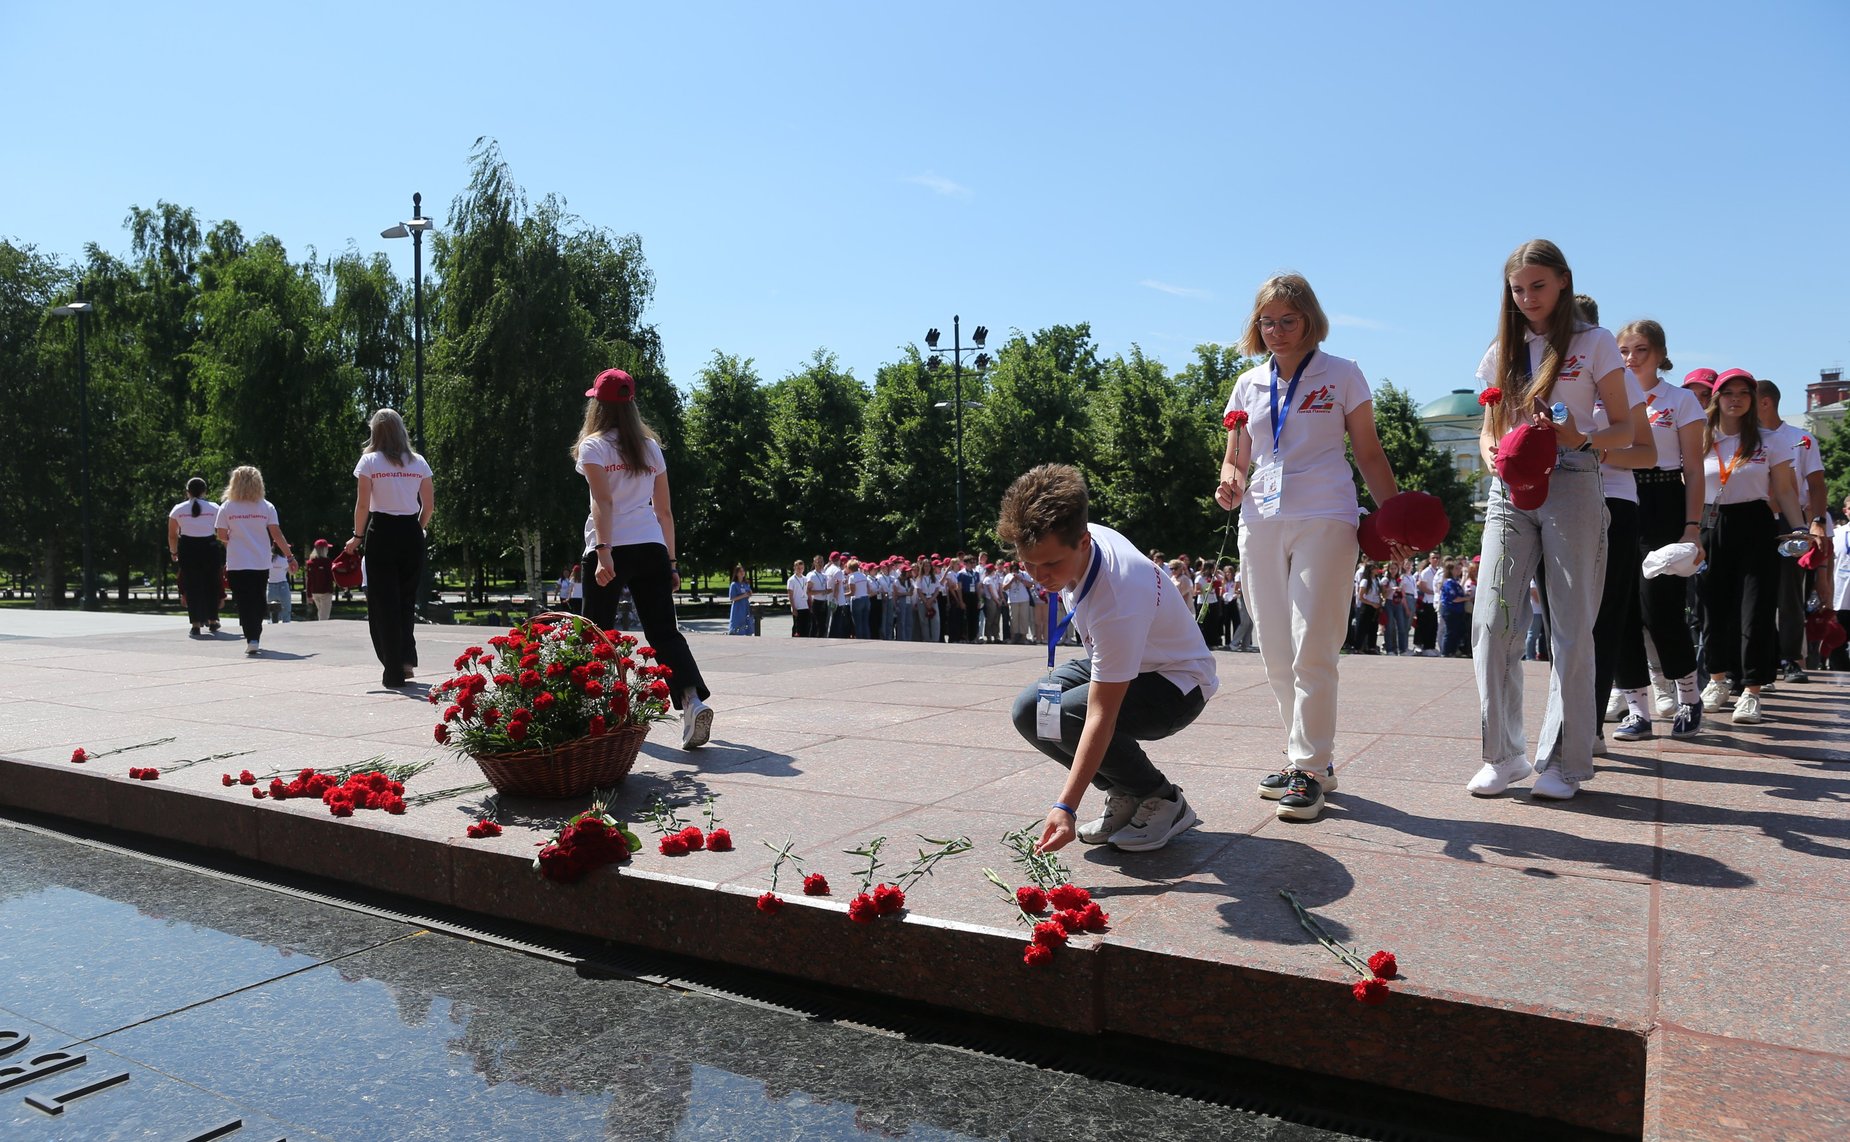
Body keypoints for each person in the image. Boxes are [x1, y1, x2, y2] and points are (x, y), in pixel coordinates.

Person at [1215, 273, 1405, 821]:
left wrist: (1395, 519)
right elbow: (1236, 457)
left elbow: (1368, 453)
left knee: (1312, 644)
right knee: (1275, 648)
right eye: (1267, 321)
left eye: (1288, 320)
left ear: (1309, 320)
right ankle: (1307, 758)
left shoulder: (1343, 373)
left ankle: (1308, 766)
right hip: (1260, 520)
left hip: (1326, 516)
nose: (1276, 331)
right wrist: (1229, 482)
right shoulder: (1248, 384)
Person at [1467, 239, 1638, 802]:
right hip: (1510, 488)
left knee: (1571, 627)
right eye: (1518, 289)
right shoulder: (1502, 350)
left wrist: (1580, 436)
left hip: (1573, 479)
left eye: (1538, 286)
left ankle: (1564, 762)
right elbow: (1490, 428)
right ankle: (1503, 755)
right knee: (1492, 621)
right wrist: (1492, 453)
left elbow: (1627, 430)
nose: (1528, 297)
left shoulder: (1594, 343)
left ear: (1564, 281)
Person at [1004, 464, 1216, 854]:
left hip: (1177, 682)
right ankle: (1126, 792)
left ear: (1083, 541)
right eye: (1028, 563)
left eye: (1050, 564)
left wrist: (1065, 806)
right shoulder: (1075, 538)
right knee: (1031, 709)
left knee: (1069, 713)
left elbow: (1101, 714)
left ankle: (1162, 798)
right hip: (1133, 660)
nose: (1038, 576)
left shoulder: (1118, 596)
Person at [573, 367, 714, 749]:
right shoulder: (651, 448)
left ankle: (597, 711)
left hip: (611, 546)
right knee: (664, 632)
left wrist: (603, 552)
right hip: (651, 546)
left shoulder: (593, 446)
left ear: (597, 406)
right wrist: (671, 563)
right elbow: (664, 511)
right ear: (631, 404)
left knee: (597, 634)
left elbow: (603, 502)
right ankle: (692, 700)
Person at [1610, 319, 1708, 739]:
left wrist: (1692, 527)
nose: (1631, 359)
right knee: (1619, 608)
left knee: (1660, 607)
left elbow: (1694, 469)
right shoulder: (1608, 396)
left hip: (1664, 499)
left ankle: (1689, 696)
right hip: (1618, 497)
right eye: (1624, 351)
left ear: (1661, 354)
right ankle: (1637, 709)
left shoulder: (1680, 400)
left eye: (1641, 350)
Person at [1697, 369, 1811, 724]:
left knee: (1756, 608)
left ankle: (1752, 691)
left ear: (1753, 399)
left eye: (1743, 393)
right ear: (1717, 398)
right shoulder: (1701, 436)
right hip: (1710, 523)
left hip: (1755, 523)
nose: (1735, 399)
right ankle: (1717, 678)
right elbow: (1688, 484)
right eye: (1728, 393)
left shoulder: (1768, 440)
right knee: (1712, 607)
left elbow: (1785, 490)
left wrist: (1800, 527)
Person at [342, 409, 433, 690]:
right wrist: (417, 529)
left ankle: (392, 670)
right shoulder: (418, 462)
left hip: (381, 531)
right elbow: (428, 506)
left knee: (383, 603)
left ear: (375, 431)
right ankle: (406, 659)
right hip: (410, 531)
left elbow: (362, 505)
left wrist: (357, 537)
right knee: (406, 600)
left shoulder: (369, 461)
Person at [1757, 379, 1829, 684]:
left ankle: (1790, 659)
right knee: (1754, 592)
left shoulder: (1801, 438)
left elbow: (1817, 485)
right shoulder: (1743, 439)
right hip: (1753, 519)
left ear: (1765, 402)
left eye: (1748, 397)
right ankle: (1760, 659)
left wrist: (1818, 522)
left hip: (1789, 520)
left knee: (1790, 593)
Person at [214, 466, 296, 656]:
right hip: (260, 561)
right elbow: (277, 534)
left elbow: (221, 535)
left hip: (237, 561)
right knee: (258, 598)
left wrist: (235, 539)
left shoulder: (227, 507)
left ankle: (250, 636)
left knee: (243, 600)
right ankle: (254, 636)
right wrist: (290, 556)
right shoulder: (266, 506)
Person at [167, 476, 223, 636]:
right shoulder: (215, 508)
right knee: (211, 583)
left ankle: (196, 624)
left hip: (188, 548)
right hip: (210, 547)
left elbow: (172, 535)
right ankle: (213, 620)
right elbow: (221, 531)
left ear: (187, 492)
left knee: (192, 586)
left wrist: (174, 551)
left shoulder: (178, 509)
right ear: (205, 491)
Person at [304, 539, 336, 621]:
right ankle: (323, 628)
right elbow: (331, 577)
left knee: (321, 612)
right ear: (324, 549)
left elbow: (309, 580)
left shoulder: (310, 563)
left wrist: (309, 594)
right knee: (324, 615)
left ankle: (321, 626)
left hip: (315, 592)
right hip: (326, 591)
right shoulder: (327, 562)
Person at [727, 565, 753, 635]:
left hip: (745, 605)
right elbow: (732, 598)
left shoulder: (746, 584)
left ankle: (747, 633)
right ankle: (735, 633)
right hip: (738, 607)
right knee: (738, 622)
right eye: (740, 571)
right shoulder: (734, 584)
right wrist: (744, 595)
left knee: (747, 621)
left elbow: (748, 594)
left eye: (743, 571)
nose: (742, 573)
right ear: (736, 573)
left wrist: (749, 594)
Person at [787, 558, 810, 637]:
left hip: (805, 606)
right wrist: (793, 608)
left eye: (801, 568)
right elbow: (790, 595)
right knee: (797, 628)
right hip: (797, 607)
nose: (800, 570)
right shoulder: (791, 580)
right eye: (798, 568)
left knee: (805, 627)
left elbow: (807, 592)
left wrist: (810, 604)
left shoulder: (805, 579)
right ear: (794, 568)